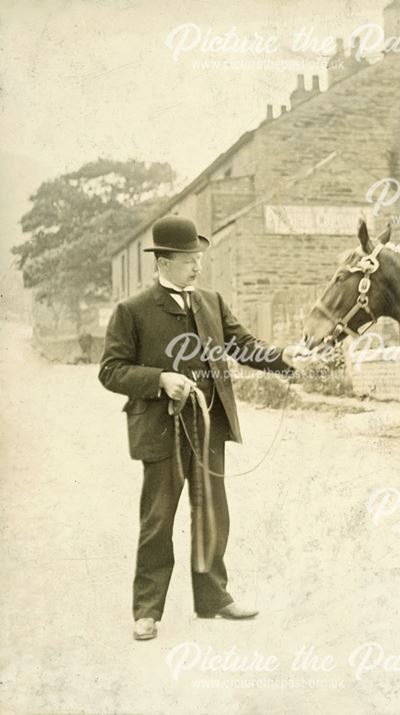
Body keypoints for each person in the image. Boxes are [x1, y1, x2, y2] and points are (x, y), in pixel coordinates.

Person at [98, 216, 308, 641]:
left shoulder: (211, 301)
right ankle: (147, 611)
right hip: (161, 430)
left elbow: (244, 346)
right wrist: (159, 379)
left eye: (199, 258)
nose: (197, 266)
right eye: (189, 259)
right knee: (158, 519)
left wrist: (285, 356)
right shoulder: (133, 310)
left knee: (213, 513)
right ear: (165, 262)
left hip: (210, 426)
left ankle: (214, 597)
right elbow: (111, 370)